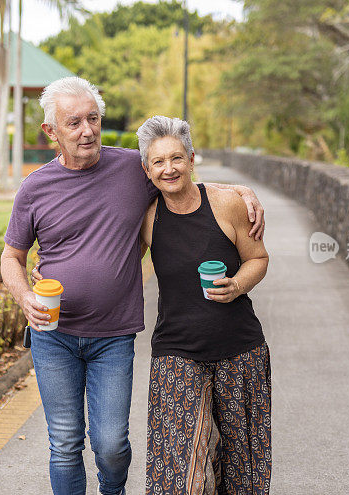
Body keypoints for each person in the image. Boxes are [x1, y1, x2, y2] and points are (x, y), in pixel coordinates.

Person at [0, 77, 265, 495]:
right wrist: (25, 296)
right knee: (65, 443)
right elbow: (11, 256)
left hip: (113, 335)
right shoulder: (34, 188)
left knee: (110, 446)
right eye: (74, 122)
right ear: (51, 132)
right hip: (54, 335)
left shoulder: (131, 167)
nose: (87, 130)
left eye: (93, 118)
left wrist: (240, 190)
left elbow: (179, 177)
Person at [137, 116, 272, 494]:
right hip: (176, 350)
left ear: (192, 158)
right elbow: (110, 258)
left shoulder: (228, 205)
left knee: (242, 468)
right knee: (180, 470)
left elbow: (258, 259)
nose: (169, 169)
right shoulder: (147, 218)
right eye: (158, 162)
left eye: (177, 158)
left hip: (240, 349)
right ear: (147, 170)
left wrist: (236, 285)